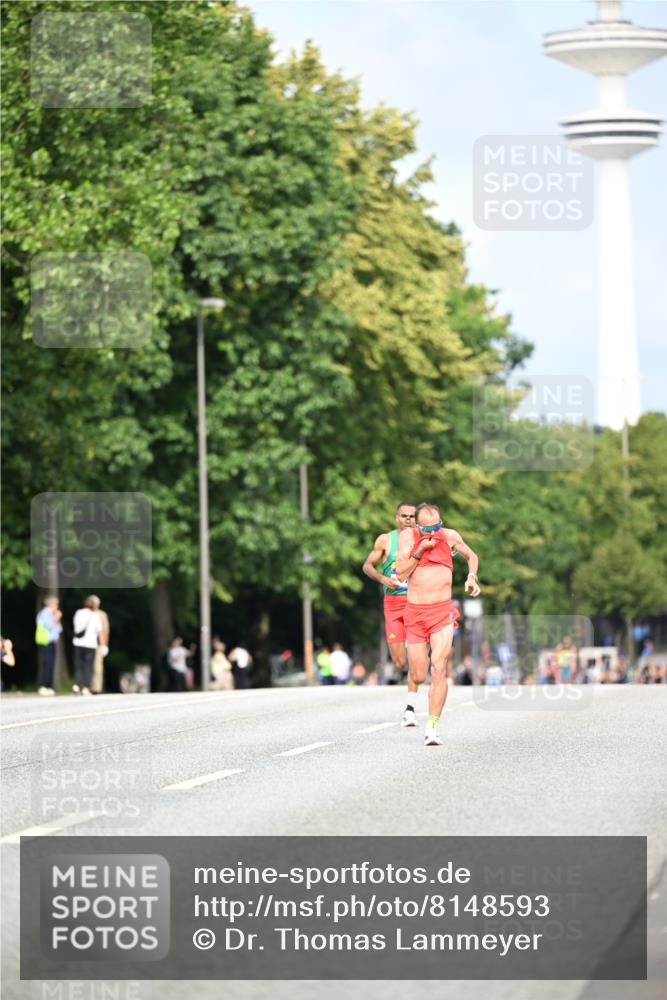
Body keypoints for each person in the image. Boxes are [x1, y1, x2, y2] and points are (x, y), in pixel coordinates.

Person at [395, 502, 480, 746]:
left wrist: (471, 576)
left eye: (437, 527)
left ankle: (432, 727)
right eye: (428, 529)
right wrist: (420, 550)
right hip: (415, 614)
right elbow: (401, 573)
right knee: (419, 673)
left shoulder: (450, 536)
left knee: (439, 666)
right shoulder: (406, 538)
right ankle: (415, 699)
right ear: (418, 526)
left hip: (442, 614)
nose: (434, 533)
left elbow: (471, 555)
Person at [362, 503, 416, 678]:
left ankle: (421, 662)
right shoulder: (385, 540)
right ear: (397, 518)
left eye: (412, 516)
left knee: (418, 656)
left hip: (415, 601)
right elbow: (367, 566)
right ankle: (413, 663)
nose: (408, 519)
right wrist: (383, 579)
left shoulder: (422, 539)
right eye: (404, 516)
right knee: (399, 662)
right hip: (392, 603)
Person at [72, 596, 103, 695]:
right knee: (88, 666)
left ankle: (77, 684)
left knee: (78, 665)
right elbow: (99, 630)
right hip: (90, 644)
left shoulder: (78, 613)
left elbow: (76, 627)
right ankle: (86, 687)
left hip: (78, 642)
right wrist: (102, 645)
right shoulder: (94, 615)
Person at [35, 595, 63, 695]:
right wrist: (57, 618)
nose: (57, 607)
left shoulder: (51, 614)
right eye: (56, 605)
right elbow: (50, 626)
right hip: (45, 641)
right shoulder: (46, 612)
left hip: (51, 642)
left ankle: (49, 686)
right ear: (52, 604)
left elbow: (59, 629)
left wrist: (56, 619)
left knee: (51, 664)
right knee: (47, 663)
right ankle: (43, 686)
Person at [90, 596, 110, 694]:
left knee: (97, 666)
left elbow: (105, 631)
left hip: (98, 643)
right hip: (87, 643)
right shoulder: (86, 613)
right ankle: (88, 686)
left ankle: (96, 688)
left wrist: (105, 645)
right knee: (89, 666)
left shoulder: (102, 615)